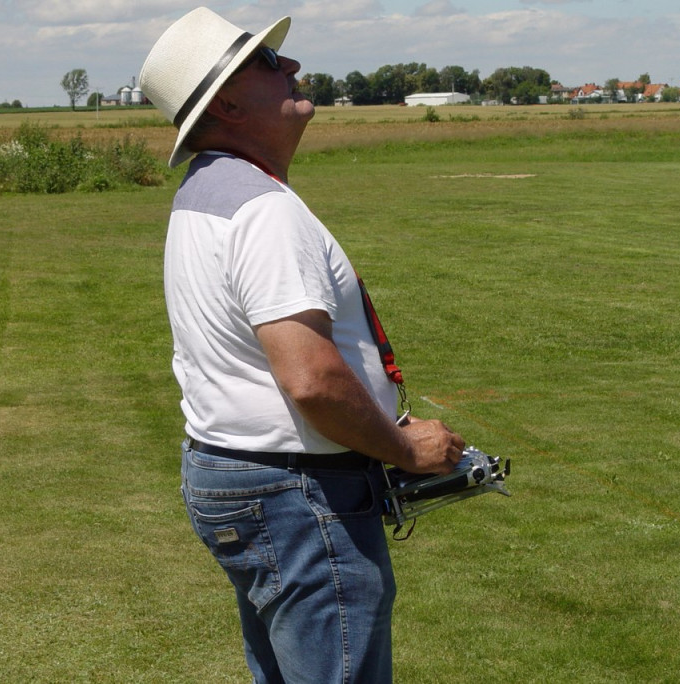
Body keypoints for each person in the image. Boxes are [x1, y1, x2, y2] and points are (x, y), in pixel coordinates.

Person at [139, 8, 466, 683]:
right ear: (226, 102)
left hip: (242, 479)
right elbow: (311, 379)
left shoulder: (206, 191)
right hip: (296, 494)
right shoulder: (263, 209)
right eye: (266, 61)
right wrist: (405, 449)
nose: (290, 65)